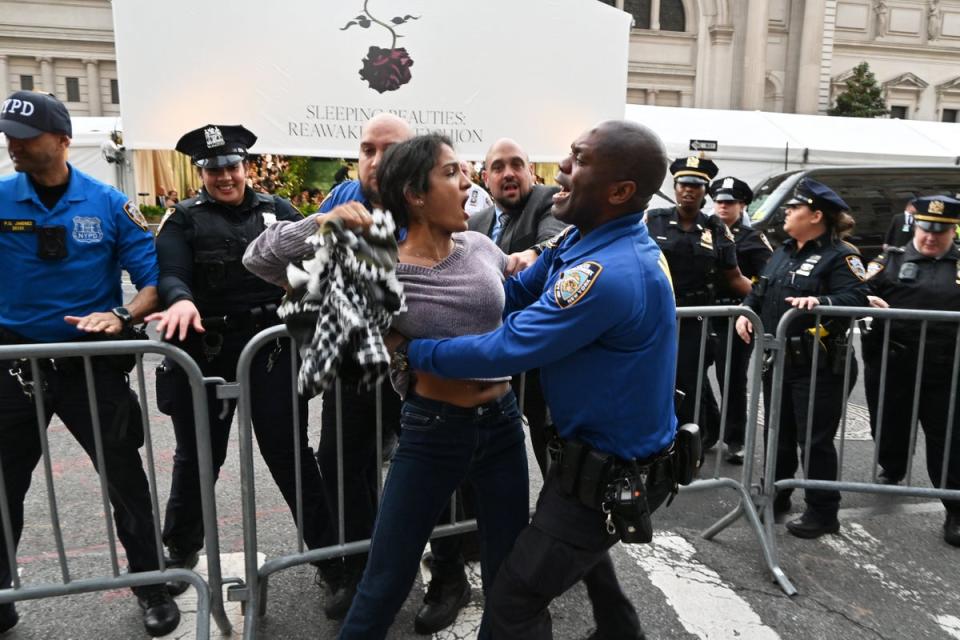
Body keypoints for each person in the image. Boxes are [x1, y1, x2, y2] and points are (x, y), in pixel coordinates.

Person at [395, 120, 679, 640]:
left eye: (579, 159)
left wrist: (415, 350)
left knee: (516, 596)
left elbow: (508, 347)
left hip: (607, 474)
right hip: (594, 460)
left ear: (619, 192)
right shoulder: (586, 240)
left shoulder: (607, 274)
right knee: (585, 563)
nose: (562, 169)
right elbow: (517, 294)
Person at [0, 90, 179, 636]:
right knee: (4, 487)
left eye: (25, 138)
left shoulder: (106, 202)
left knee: (124, 478)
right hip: (15, 366)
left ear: (61, 140)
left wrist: (122, 315)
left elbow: (151, 281)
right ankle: (2, 593)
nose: (14, 146)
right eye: (9, 136)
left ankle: (151, 585)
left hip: (89, 366)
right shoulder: (1, 198)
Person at [146, 124, 337, 591]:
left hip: (271, 353)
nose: (224, 177)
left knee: (291, 455)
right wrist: (181, 300)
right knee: (198, 458)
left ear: (247, 167)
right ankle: (181, 548)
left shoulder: (279, 211)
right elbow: (171, 274)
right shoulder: (184, 219)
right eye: (213, 170)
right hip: (207, 353)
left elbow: (317, 268)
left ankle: (329, 555)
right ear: (201, 173)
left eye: (231, 167)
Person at [243, 113, 410, 620]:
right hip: (353, 367)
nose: (376, 161)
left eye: (390, 151)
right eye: (366, 149)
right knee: (342, 465)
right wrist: (319, 240)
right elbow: (260, 260)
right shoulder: (341, 200)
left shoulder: (432, 200)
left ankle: (446, 569)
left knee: (435, 471)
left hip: (418, 368)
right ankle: (359, 572)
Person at [736, 178, 869, 538]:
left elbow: (857, 299)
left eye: (794, 208)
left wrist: (822, 302)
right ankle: (775, 496)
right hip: (780, 361)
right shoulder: (782, 251)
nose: (787, 213)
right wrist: (746, 313)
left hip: (819, 364)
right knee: (778, 433)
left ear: (816, 215)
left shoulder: (841, 256)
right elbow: (759, 291)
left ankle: (823, 511)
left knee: (813, 440)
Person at [862, 195, 960, 546]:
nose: (931, 237)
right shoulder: (890, 260)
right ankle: (893, 466)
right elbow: (857, 289)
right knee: (889, 421)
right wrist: (863, 298)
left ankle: (955, 511)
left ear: (952, 230)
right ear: (915, 225)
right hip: (895, 362)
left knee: (948, 442)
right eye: (926, 229)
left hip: (946, 367)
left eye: (941, 231)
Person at [472, 138, 566, 474]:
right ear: (485, 178)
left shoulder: (547, 200)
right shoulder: (476, 222)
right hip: (490, 357)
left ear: (531, 172)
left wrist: (534, 254)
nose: (508, 173)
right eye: (498, 167)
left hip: (537, 358)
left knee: (549, 442)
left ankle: (558, 517)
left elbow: (555, 238)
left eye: (516, 165)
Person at [647, 157, 752, 450]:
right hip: (655, 316)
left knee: (689, 386)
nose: (689, 191)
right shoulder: (652, 220)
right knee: (652, 380)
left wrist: (764, 300)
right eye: (683, 184)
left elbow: (734, 277)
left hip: (694, 320)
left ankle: (686, 451)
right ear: (675, 187)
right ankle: (654, 444)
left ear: (705, 191)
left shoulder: (716, 228)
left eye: (696, 185)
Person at [709, 177, 773, 463]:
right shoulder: (704, 230)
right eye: (720, 201)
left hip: (735, 316)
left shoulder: (751, 238)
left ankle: (736, 440)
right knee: (689, 374)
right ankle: (708, 425)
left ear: (742, 205)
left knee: (731, 379)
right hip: (702, 313)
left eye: (730, 202)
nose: (723, 206)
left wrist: (751, 305)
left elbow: (769, 277)